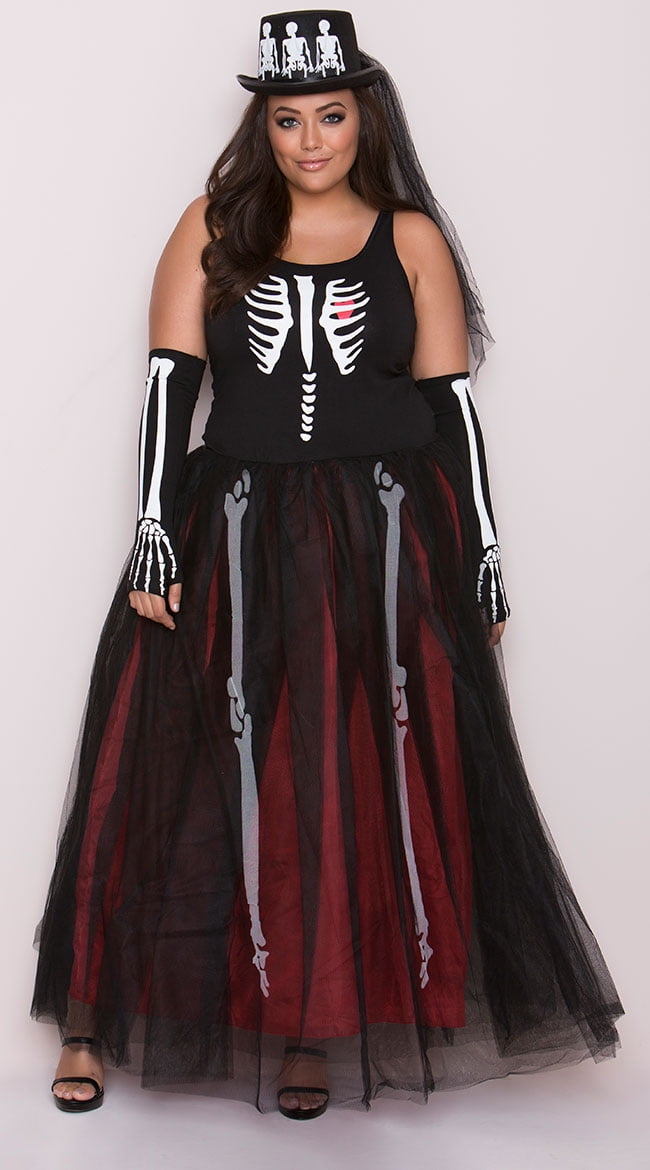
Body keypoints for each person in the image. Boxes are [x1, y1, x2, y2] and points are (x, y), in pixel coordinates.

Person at [32, 9, 624, 1120]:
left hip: (381, 530)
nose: (310, 140)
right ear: (263, 126)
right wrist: (153, 525)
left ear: (365, 119)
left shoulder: (410, 239)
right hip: (234, 523)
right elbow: (169, 384)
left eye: (332, 115)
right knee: (172, 766)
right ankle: (92, 1018)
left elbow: (450, 407)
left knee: (343, 772)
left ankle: (311, 1028)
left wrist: (486, 549)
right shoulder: (212, 225)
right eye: (288, 118)